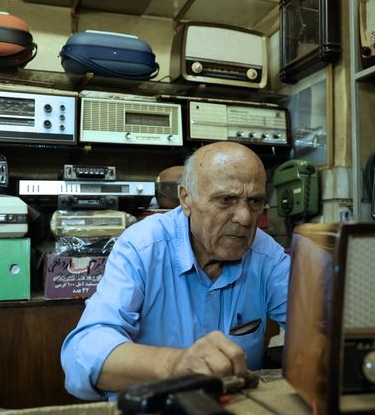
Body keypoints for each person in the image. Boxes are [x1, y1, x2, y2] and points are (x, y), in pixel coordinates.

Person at [60, 141, 291, 401]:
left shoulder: (266, 254)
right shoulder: (143, 246)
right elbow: (82, 354)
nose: (245, 218)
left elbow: (318, 328)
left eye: (255, 201)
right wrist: (175, 366)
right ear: (186, 198)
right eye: (226, 200)